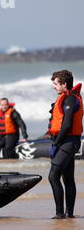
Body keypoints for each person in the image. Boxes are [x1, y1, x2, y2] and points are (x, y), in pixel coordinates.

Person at [47, 70, 82, 219]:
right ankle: (70, 214)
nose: (53, 87)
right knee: (67, 177)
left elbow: (67, 125)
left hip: (67, 142)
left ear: (64, 84)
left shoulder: (69, 99)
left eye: (55, 84)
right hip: (69, 141)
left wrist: (56, 143)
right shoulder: (68, 98)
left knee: (53, 176)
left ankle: (60, 213)